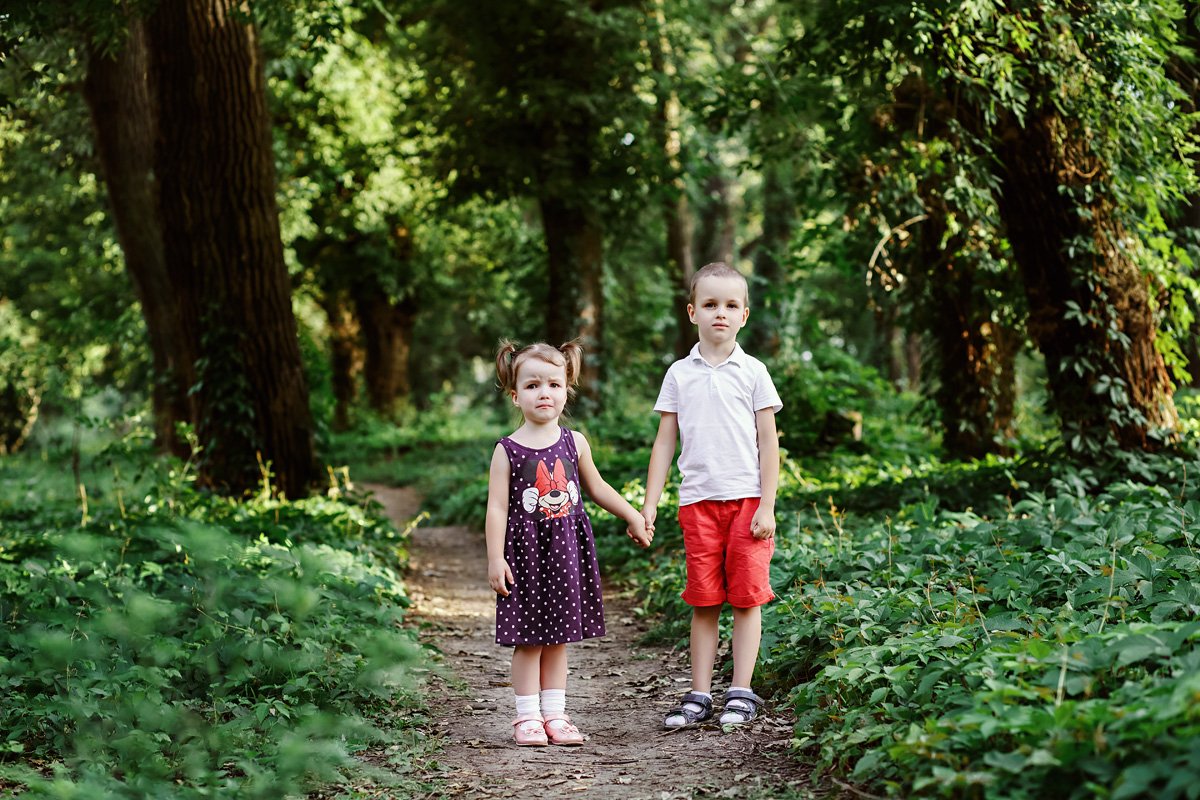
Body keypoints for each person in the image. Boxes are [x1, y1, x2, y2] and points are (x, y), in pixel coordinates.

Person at [486, 339, 653, 747]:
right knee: (527, 639)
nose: (544, 392)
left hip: (566, 555)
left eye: (554, 384)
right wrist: (495, 559)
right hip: (523, 557)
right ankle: (527, 718)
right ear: (515, 395)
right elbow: (496, 508)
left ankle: (556, 716)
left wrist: (632, 514)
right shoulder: (507, 450)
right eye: (532, 385)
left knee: (558, 638)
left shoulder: (574, 442)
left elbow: (597, 488)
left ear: (566, 390)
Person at [641, 262, 782, 728]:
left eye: (730, 305)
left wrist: (767, 504)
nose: (719, 313)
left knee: (746, 598)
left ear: (744, 315)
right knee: (704, 600)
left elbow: (768, 442)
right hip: (697, 502)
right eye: (709, 304)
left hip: (746, 502)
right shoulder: (680, 374)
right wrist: (649, 503)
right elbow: (665, 442)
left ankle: (741, 690)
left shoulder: (754, 372)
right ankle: (699, 693)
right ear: (692, 312)